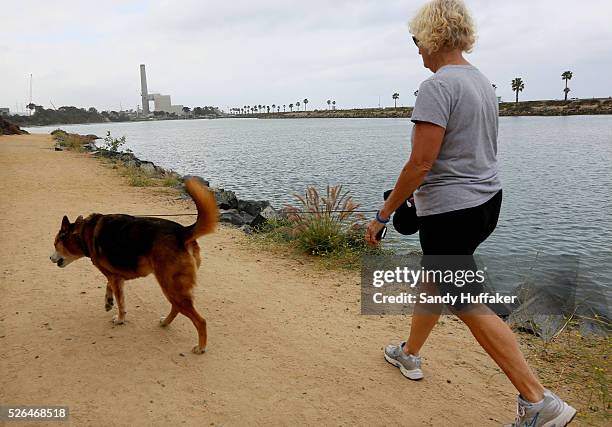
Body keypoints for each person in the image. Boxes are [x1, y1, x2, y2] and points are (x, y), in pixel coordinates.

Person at [364, 1, 576, 425]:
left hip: (450, 213)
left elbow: (421, 163)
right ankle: (410, 355)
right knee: (436, 277)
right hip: (486, 204)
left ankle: (539, 401)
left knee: (466, 300)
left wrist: (384, 213)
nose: (417, 50)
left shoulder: (438, 86)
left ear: (432, 37)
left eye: (416, 41)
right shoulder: (481, 83)